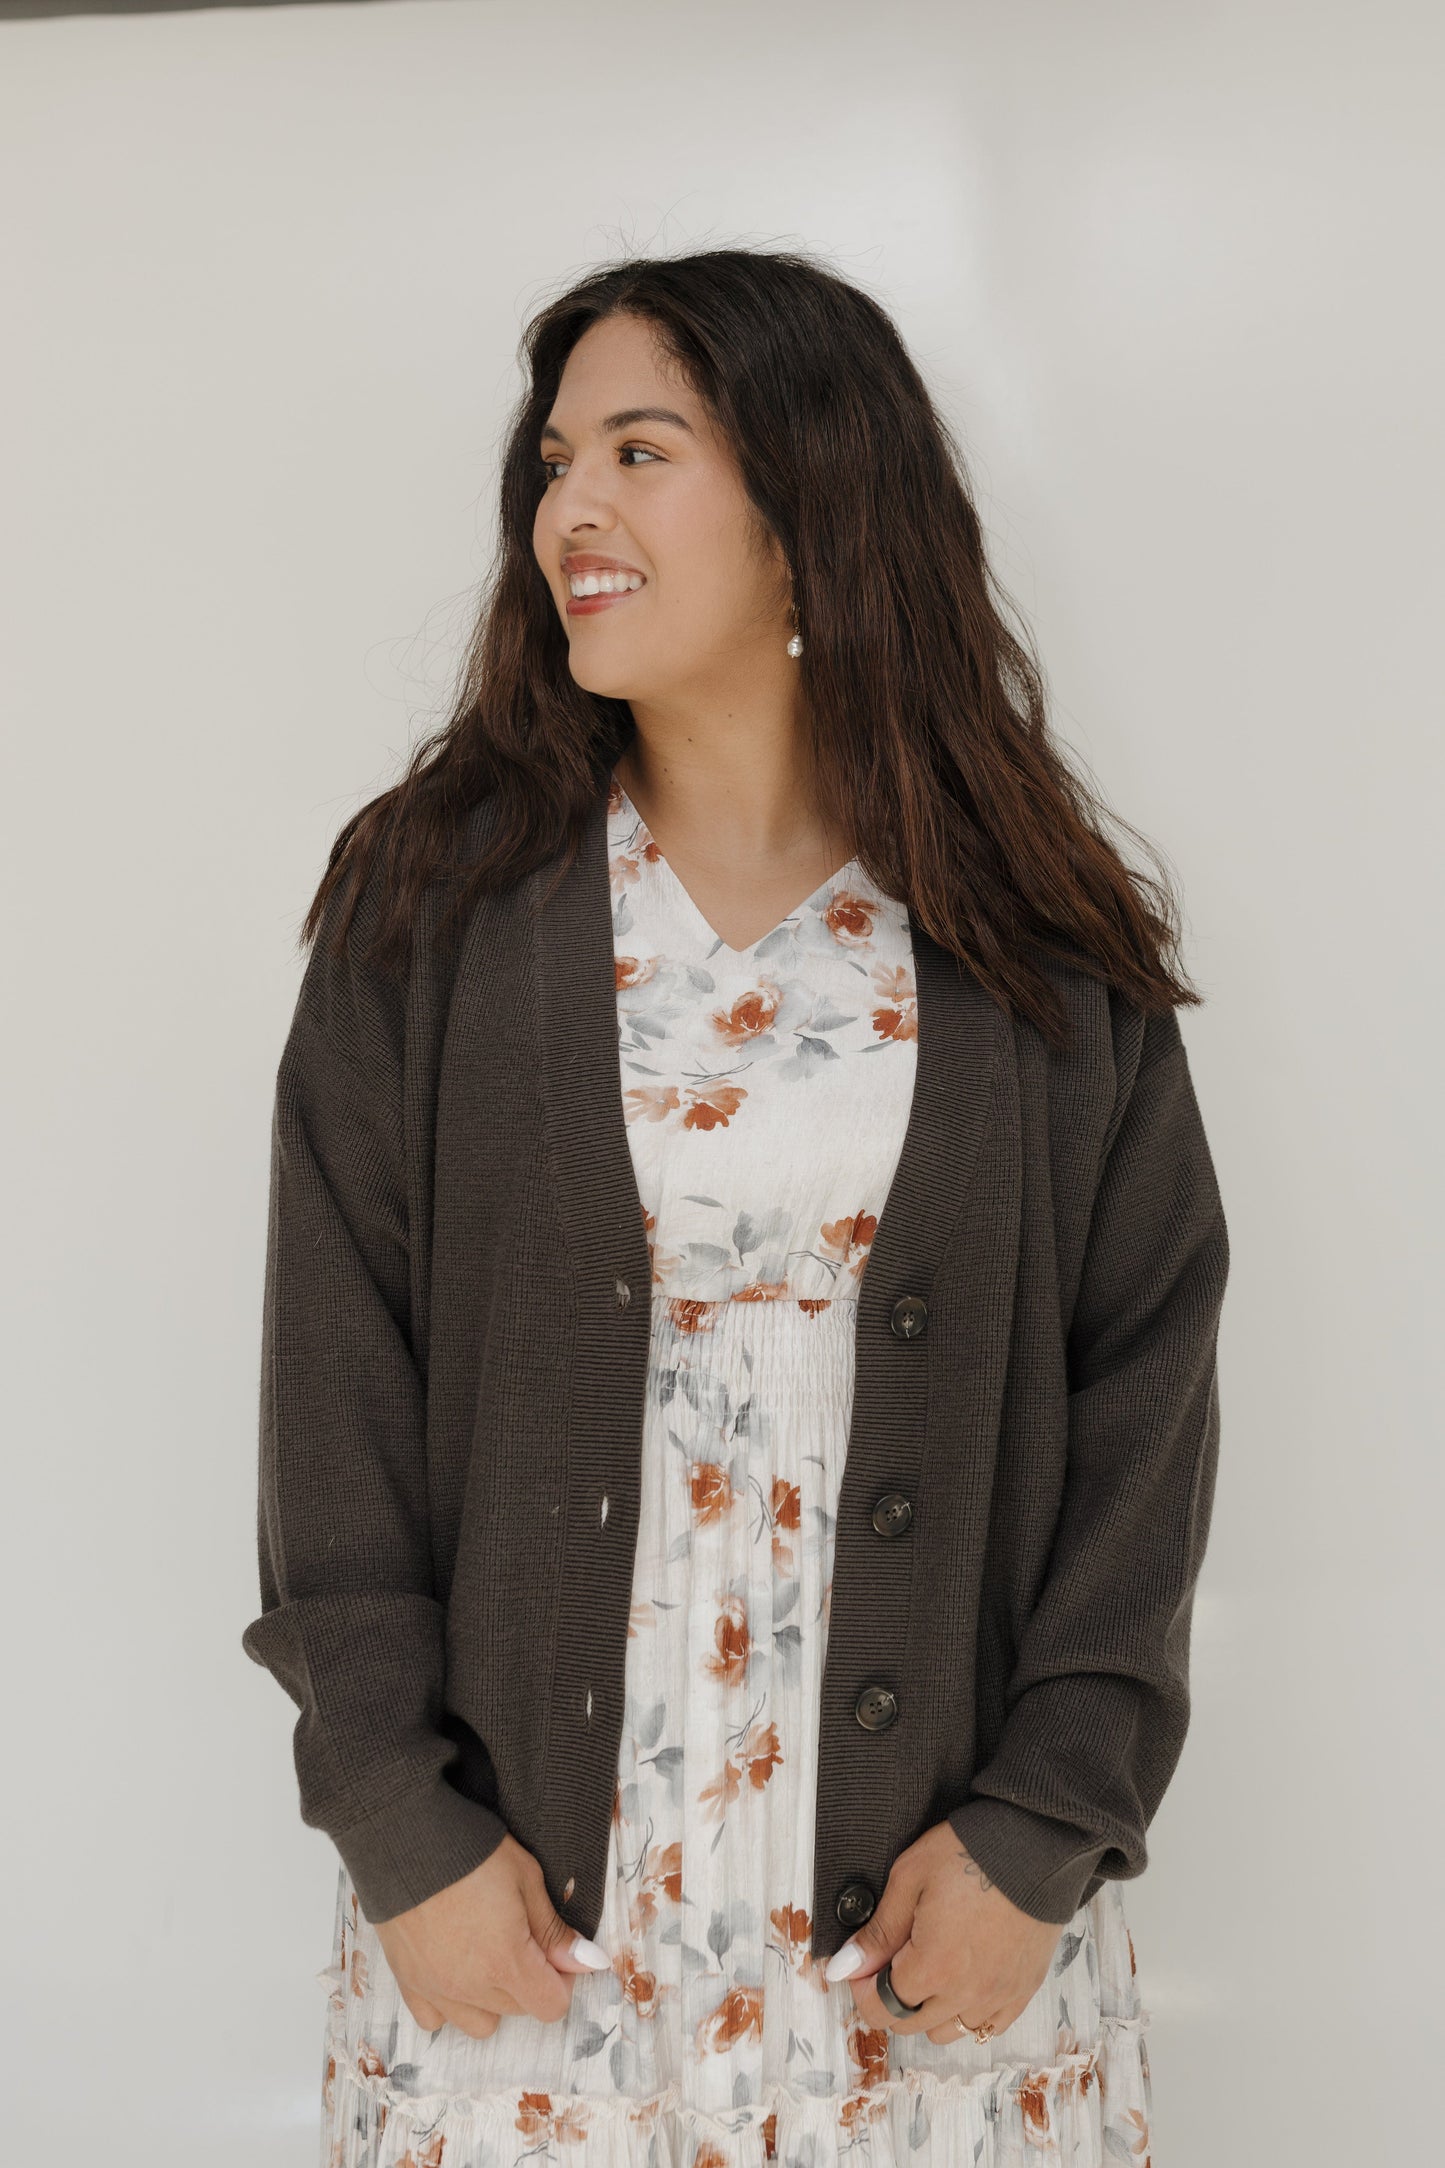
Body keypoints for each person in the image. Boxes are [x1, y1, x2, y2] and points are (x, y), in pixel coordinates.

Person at [242, 248, 1229, 2167]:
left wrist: (1045, 1829)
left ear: (808, 507)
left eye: (638, 450)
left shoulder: (1034, 936)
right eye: (551, 465)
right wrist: (391, 1811)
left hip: (928, 1948)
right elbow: (331, 1371)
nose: (569, 512)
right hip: (521, 1933)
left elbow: (1149, 1394)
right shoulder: (431, 914)